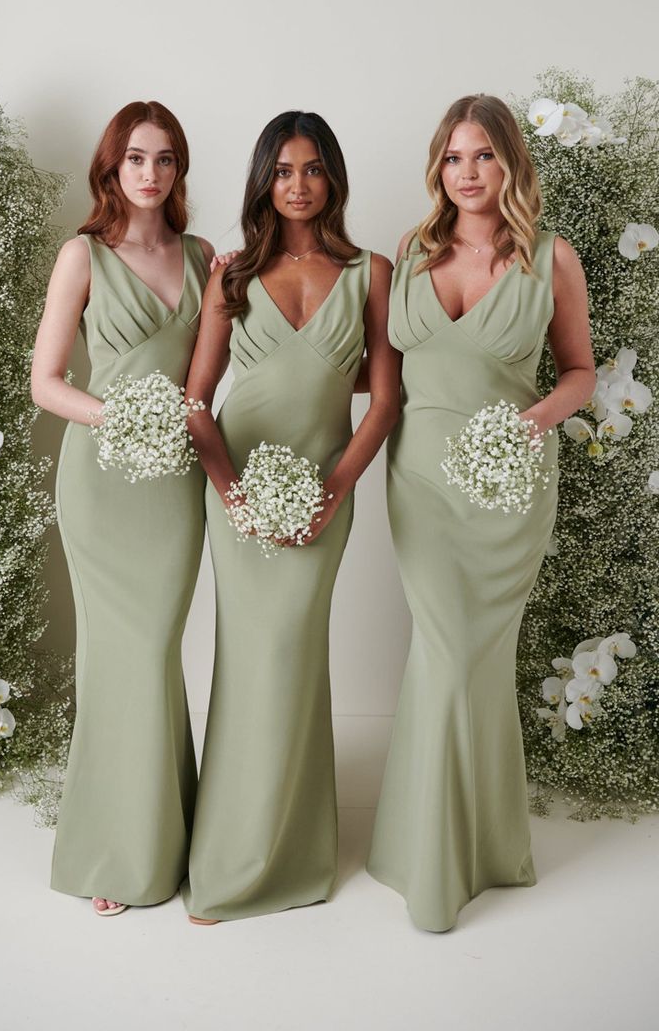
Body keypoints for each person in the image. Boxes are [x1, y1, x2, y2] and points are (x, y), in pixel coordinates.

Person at [368, 94, 595, 932]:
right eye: (455, 158)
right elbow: (384, 373)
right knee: (445, 650)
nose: (468, 174)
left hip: (509, 486)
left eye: (485, 157)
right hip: (421, 481)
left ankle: (473, 846)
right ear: (439, 169)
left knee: (472, 661)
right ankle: (429, 852)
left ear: (510, 166)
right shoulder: (411, 250)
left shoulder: (551, 259)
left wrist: (530, 423)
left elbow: (578, 372)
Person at [181, 110, 401, 923]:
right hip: (237, 485)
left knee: (295, 658)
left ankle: (295, 851)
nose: (298, 185)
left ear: (333, 177)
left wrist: (333, 491)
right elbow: (198, 404)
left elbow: (384, 401)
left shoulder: (372, 271)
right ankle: (232, 854)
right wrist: (231, 491)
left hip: (324, 492)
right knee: (248, 660)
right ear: (263, 180)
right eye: (282, 170)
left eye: (312, 169)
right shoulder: (232, 274)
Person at [31, 101, 214, 917]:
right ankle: (113, 848)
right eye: (136, 158)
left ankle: (166, 836)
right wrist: (122, 416)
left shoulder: (204, 256)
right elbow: (47, 383)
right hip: (102, 480)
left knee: (155, 650)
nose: (150, 172)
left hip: (173, 486)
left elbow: (225, 366)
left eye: (165, 159)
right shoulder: (83, 255)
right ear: (112, 168)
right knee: (118, 655)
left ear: (178, 170)